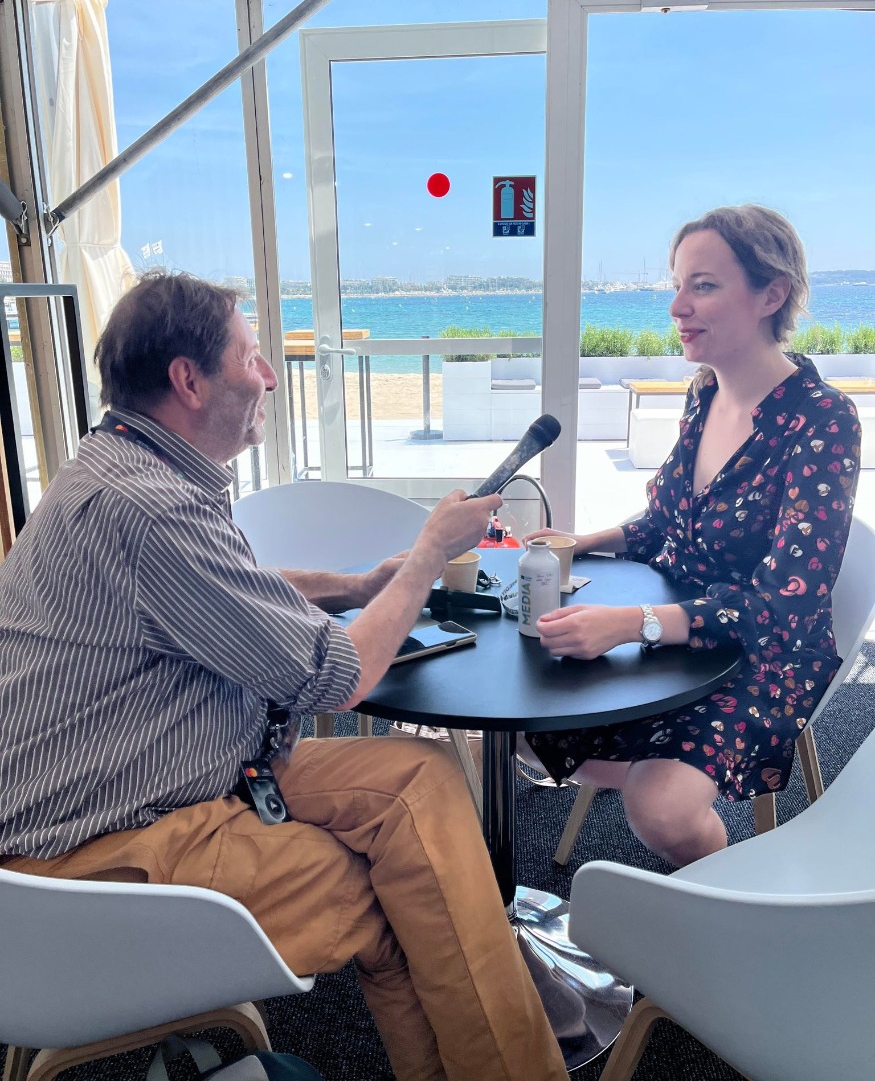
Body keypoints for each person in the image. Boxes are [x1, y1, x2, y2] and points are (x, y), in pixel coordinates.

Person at [0, 271, 567, 1081]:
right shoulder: (153, 511)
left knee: (420, 776)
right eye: (251, 356)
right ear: (189, 380)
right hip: (86, 854)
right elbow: (338, 678)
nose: (269, 376)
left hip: (134, 778)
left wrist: (362, 585)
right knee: (402, 902)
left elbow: (228, 591)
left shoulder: (118, 467)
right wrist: (428, 557)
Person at [520, 205, 862, 869]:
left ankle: (716, 903)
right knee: (529, 712)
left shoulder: (822, 419)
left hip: (765, 652)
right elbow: (663, 523)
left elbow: (785, 604)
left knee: (660, 808)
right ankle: (645, 759)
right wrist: (579, 543)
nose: (677, 307)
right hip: (676, 625)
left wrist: (632, 624)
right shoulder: (703, 394)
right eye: (677, 285)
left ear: (771, 294)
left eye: (702, 286)